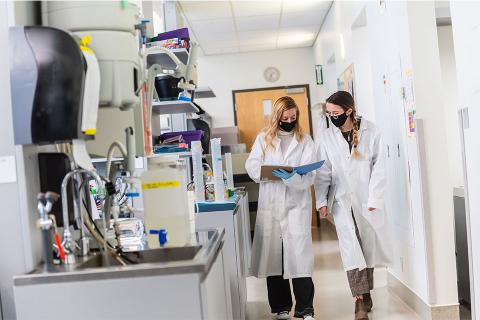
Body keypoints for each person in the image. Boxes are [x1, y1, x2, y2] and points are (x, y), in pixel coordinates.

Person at [314, 91, 391, 320]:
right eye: (328, 113)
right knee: (351, 250)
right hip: (341, 201)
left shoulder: (372, 131)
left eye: (335, 113)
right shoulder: (327, 137)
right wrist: (321, 201)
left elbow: (380, 167)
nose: (332, 117)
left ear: (349, 111)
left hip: (367, 199)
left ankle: (365, 292)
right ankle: (359, 301)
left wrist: (375, 198)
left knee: (366, 247)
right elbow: (323, 172)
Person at [246, 96, 316, 320]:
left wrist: (291, 177)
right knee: (275, 257)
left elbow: (310, 175)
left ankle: (305, 308)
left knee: (300, 257)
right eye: (285, 117)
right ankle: (281, 307)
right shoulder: (263, 138)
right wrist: (272, 172)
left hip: (296, 204)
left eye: (293, 117)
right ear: (277, 117)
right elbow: (253, 166)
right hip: (272, 205)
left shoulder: (305, 140)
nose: (289, 121)